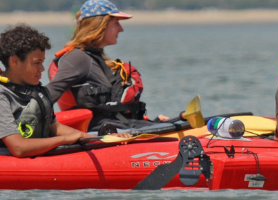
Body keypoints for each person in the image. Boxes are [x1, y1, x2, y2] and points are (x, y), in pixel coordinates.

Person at [0, 24, 130, 158]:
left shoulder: (37, 91)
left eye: (42, 62)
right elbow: (18, 148)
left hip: (38, 159)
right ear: (14, 61)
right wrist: (64, 140)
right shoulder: (2, 96)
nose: (42, 69)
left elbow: (54, 127)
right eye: (36, 63)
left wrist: (100, 139)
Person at [46, 0, 168, 131]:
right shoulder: (77, 58)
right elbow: (47, 96)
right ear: (100, 26)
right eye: (116, 23)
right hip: (100, 133)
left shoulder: (95, 58)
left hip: (118, 127)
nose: (121, 29)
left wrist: (154, 122)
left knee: (178, 121)